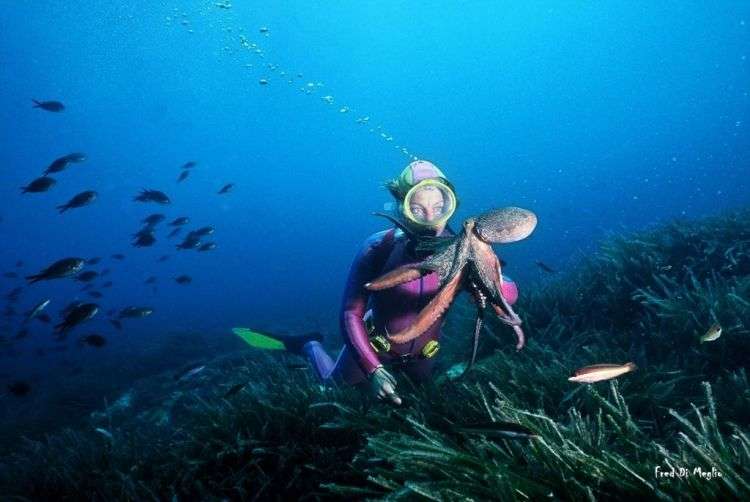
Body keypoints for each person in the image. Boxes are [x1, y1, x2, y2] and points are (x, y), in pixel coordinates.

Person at [236, 160, 519, 405]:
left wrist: (487, 275)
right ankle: (309, 345)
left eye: (439, 206)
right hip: (374, 344)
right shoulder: (378, 247)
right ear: (402, 206)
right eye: (417, 209)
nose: (431, 219)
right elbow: (350, 312)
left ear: (451, 205)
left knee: (417, 399)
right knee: (331, 391)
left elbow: (508, 294)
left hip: (426, 351)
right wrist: (371, 369)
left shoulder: (464, 251)